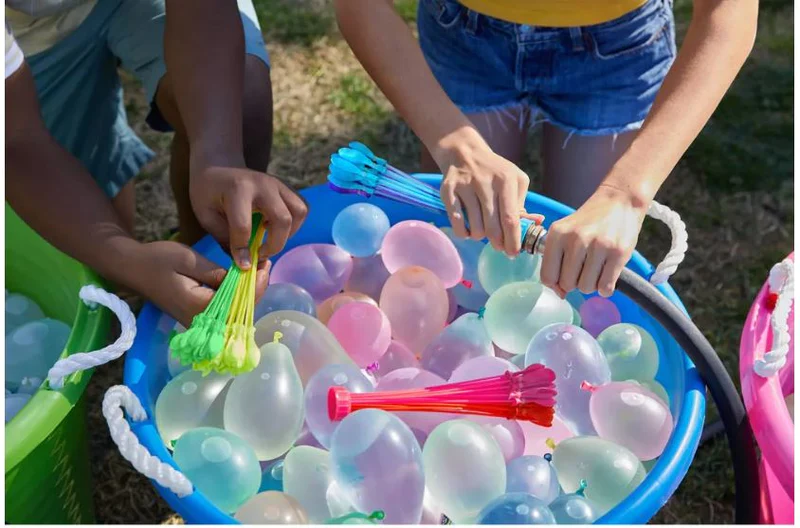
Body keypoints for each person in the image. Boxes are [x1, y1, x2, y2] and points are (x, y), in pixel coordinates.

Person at [334, 0, 757, 297]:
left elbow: (729, 12)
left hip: (618, 46)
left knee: (575, 274)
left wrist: (625, 195)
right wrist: (456, 145)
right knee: (462, 254)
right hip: (464, 31)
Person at [6, 0, 308, 326]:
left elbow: (203, 11)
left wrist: (219, 157)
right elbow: (15, 139)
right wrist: (128, 258)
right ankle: (165, 278)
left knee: (240, 108)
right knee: (104, 258)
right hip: (24, 34)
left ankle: (199, 262)